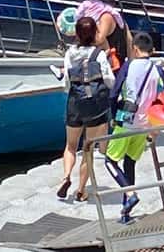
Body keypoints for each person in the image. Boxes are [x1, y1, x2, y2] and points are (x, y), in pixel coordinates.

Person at [106, 32, 164, 223]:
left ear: (135, 49)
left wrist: (113, 117)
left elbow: (114, 94)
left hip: (126, 121)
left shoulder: (129, 66)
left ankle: (130, 196)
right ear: (151, 50)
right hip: (144, 124)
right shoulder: (157, 70)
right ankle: (126, 213)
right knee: (129, 164)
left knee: (110, 161)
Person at [55, 16, 115, 201]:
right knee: (88, 148)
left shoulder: (70, 54)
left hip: (75, 102)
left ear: (77, 33)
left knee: (70, 146)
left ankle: (66, 177)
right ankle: (81, 190)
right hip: (95, 106)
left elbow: (66, 84)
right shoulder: (99, 54)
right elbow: (110, 81)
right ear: (95, 33)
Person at [76, 0, 133, 73]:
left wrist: (80, 32)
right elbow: (130, 42)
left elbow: (99, 39)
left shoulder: (106, 17)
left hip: (110, 67)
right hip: (110, 65)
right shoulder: (119, 19)